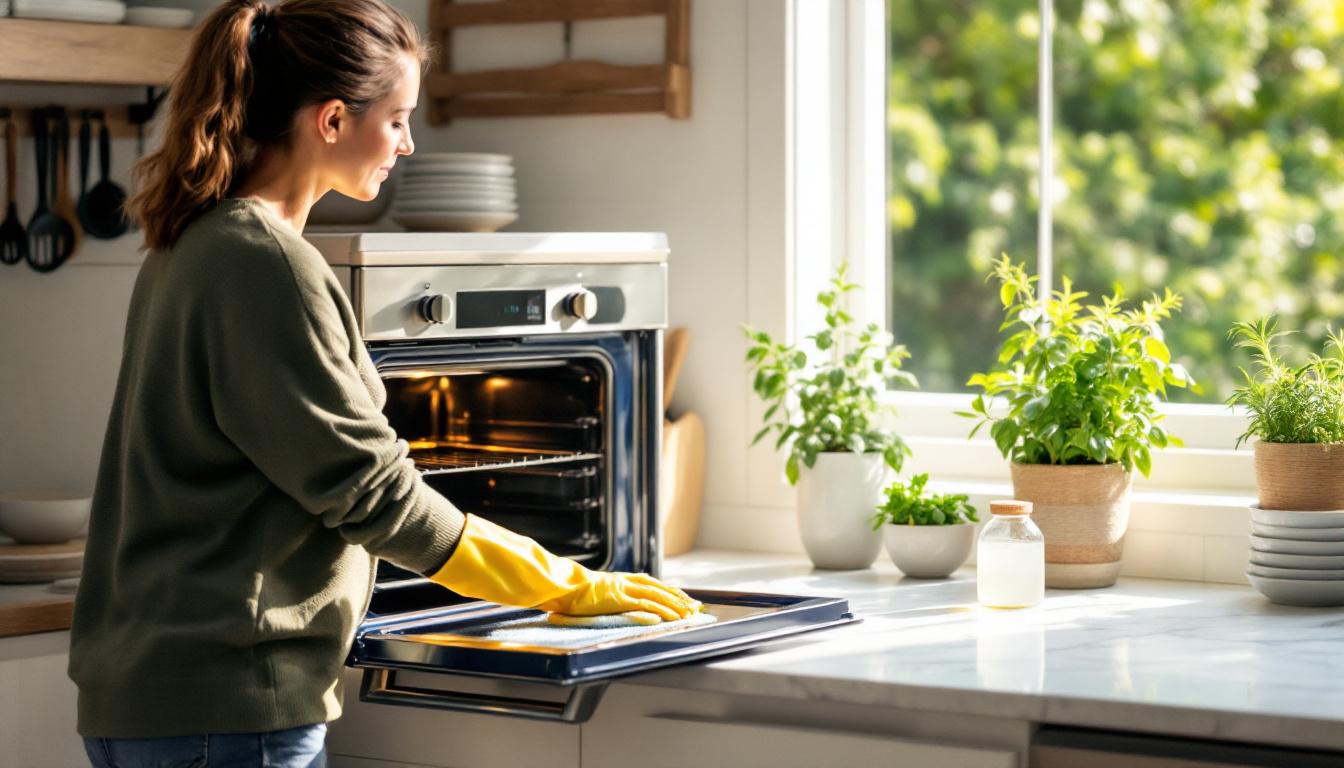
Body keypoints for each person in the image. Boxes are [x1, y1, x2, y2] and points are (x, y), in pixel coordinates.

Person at [67, 1, 696, 765]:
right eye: (397, 119)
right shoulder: (265, 262)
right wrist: (569, 587)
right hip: (227, 702)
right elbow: (374, 495)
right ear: (331, 120)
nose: (406, 144)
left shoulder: (194, 243)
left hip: (150, 697)